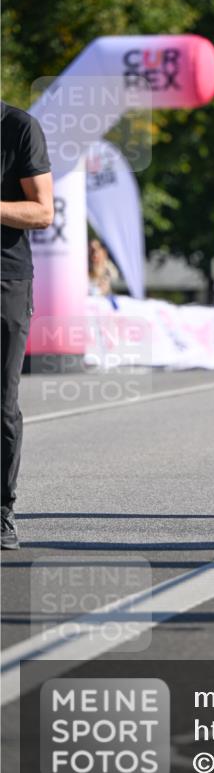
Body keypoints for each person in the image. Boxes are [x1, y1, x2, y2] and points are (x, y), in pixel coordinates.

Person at [1, 101, 53, 549]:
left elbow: (43, 211)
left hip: (6, 281)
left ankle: (2, 511)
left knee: (1, 401)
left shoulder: (19, 127)